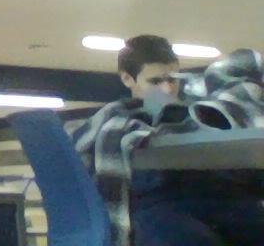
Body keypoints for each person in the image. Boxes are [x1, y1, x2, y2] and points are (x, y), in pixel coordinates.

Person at [74, 35, 264, 246]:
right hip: (162, 207)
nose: (167, 89)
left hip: (223, 200)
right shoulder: (116, 122)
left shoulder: (202, 112)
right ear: (127, 78)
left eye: (172, 79)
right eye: (155, 81)